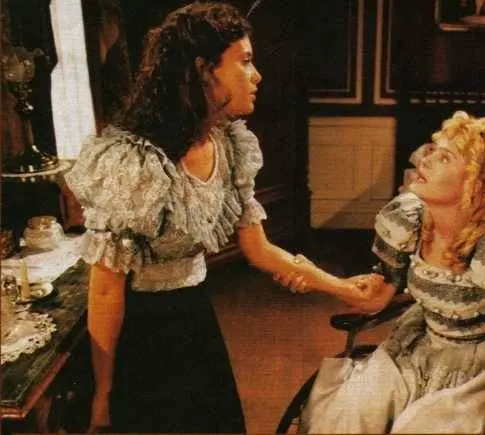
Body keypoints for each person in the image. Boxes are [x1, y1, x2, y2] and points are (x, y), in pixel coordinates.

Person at [65, 2, 383, 432]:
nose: (257, 75)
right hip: (142, 333)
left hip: (196, 318)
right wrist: (103, 395)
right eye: (245, 61)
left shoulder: (230, 145)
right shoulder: (135, 163)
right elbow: (105, 289)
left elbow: (259, 249)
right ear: (203, 70)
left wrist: (341, 287)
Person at [277, 110, 485, 433]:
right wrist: (318, 278)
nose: (426, 160)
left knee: (423, 427)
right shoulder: (409, 220)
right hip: (418, 349)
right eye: (433, 150)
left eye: (444, 158)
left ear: (475, 184)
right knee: (351, 410)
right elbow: (377, 298)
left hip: (476, 371)